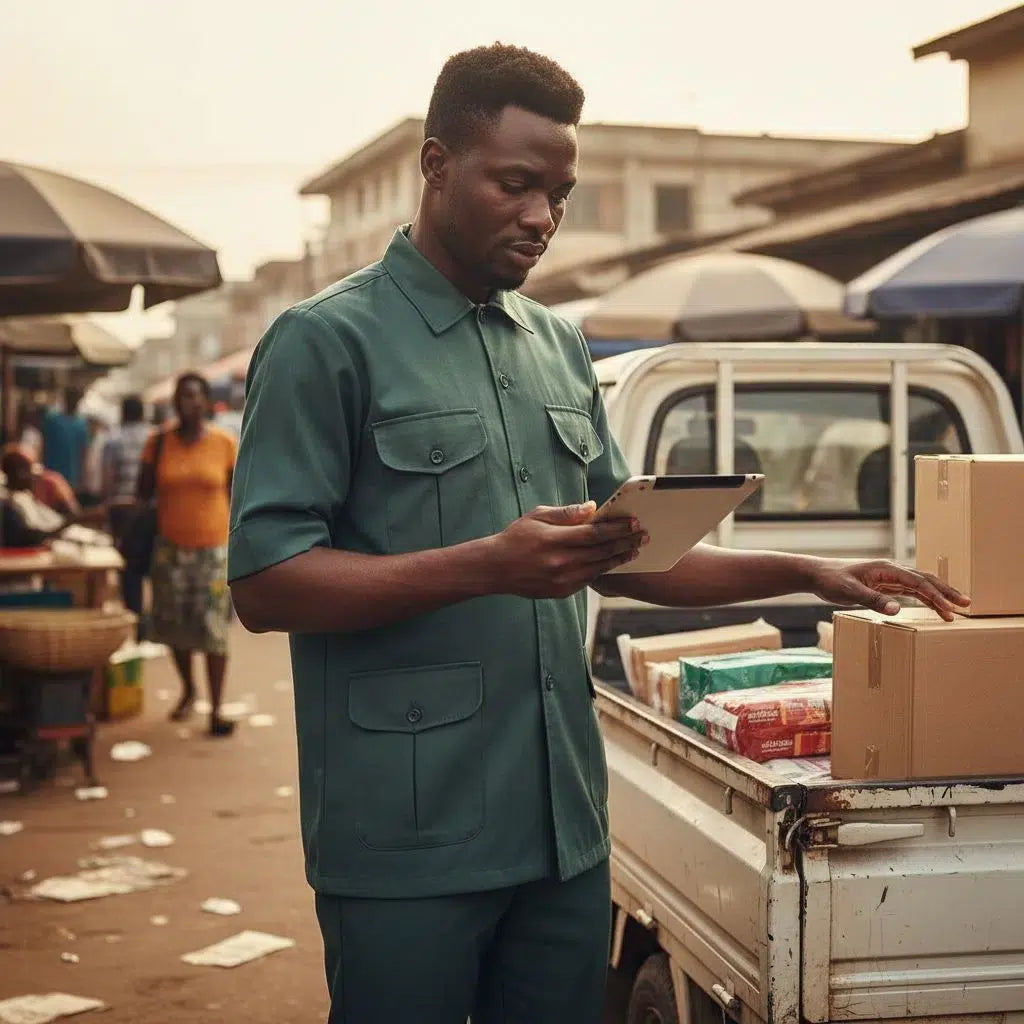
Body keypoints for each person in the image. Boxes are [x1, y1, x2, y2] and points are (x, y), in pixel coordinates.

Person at [227, 45, 968, 1024]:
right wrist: (485, 565)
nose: (542, 217)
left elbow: (633, 554)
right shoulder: (327, 342)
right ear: (437, 163)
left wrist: (809, 568)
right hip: (407, 835)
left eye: (561, 194)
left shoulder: (556, 344)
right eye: (517, 184)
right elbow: (265, 582)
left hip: (562, 827)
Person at [137, 372, 237, 737]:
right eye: (182, 397)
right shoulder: (157, 443)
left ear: (207, 401)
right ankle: (188, 689)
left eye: (195, 396)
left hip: (213, 552)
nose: (188, 403)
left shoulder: (225, 443)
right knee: (173, 628)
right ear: (174, 403)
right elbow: (142, 493)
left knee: (214, 632)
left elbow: (236, 497)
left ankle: (216, 707)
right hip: (170, 550)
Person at [104, 395, 152, 622]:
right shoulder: (154, 436)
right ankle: (153, 617)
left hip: (121, 510)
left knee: (128, 568)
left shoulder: (113, 439)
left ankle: (135, 616)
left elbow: (107, 478)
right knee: (151, 562)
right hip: (148, 510)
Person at [40, 388, 89, 490]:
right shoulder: (52, 420)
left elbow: (83, 452)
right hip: (52, 475)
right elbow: (43, 446)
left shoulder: (81, 424)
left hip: (71, 478)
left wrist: (82, 477)